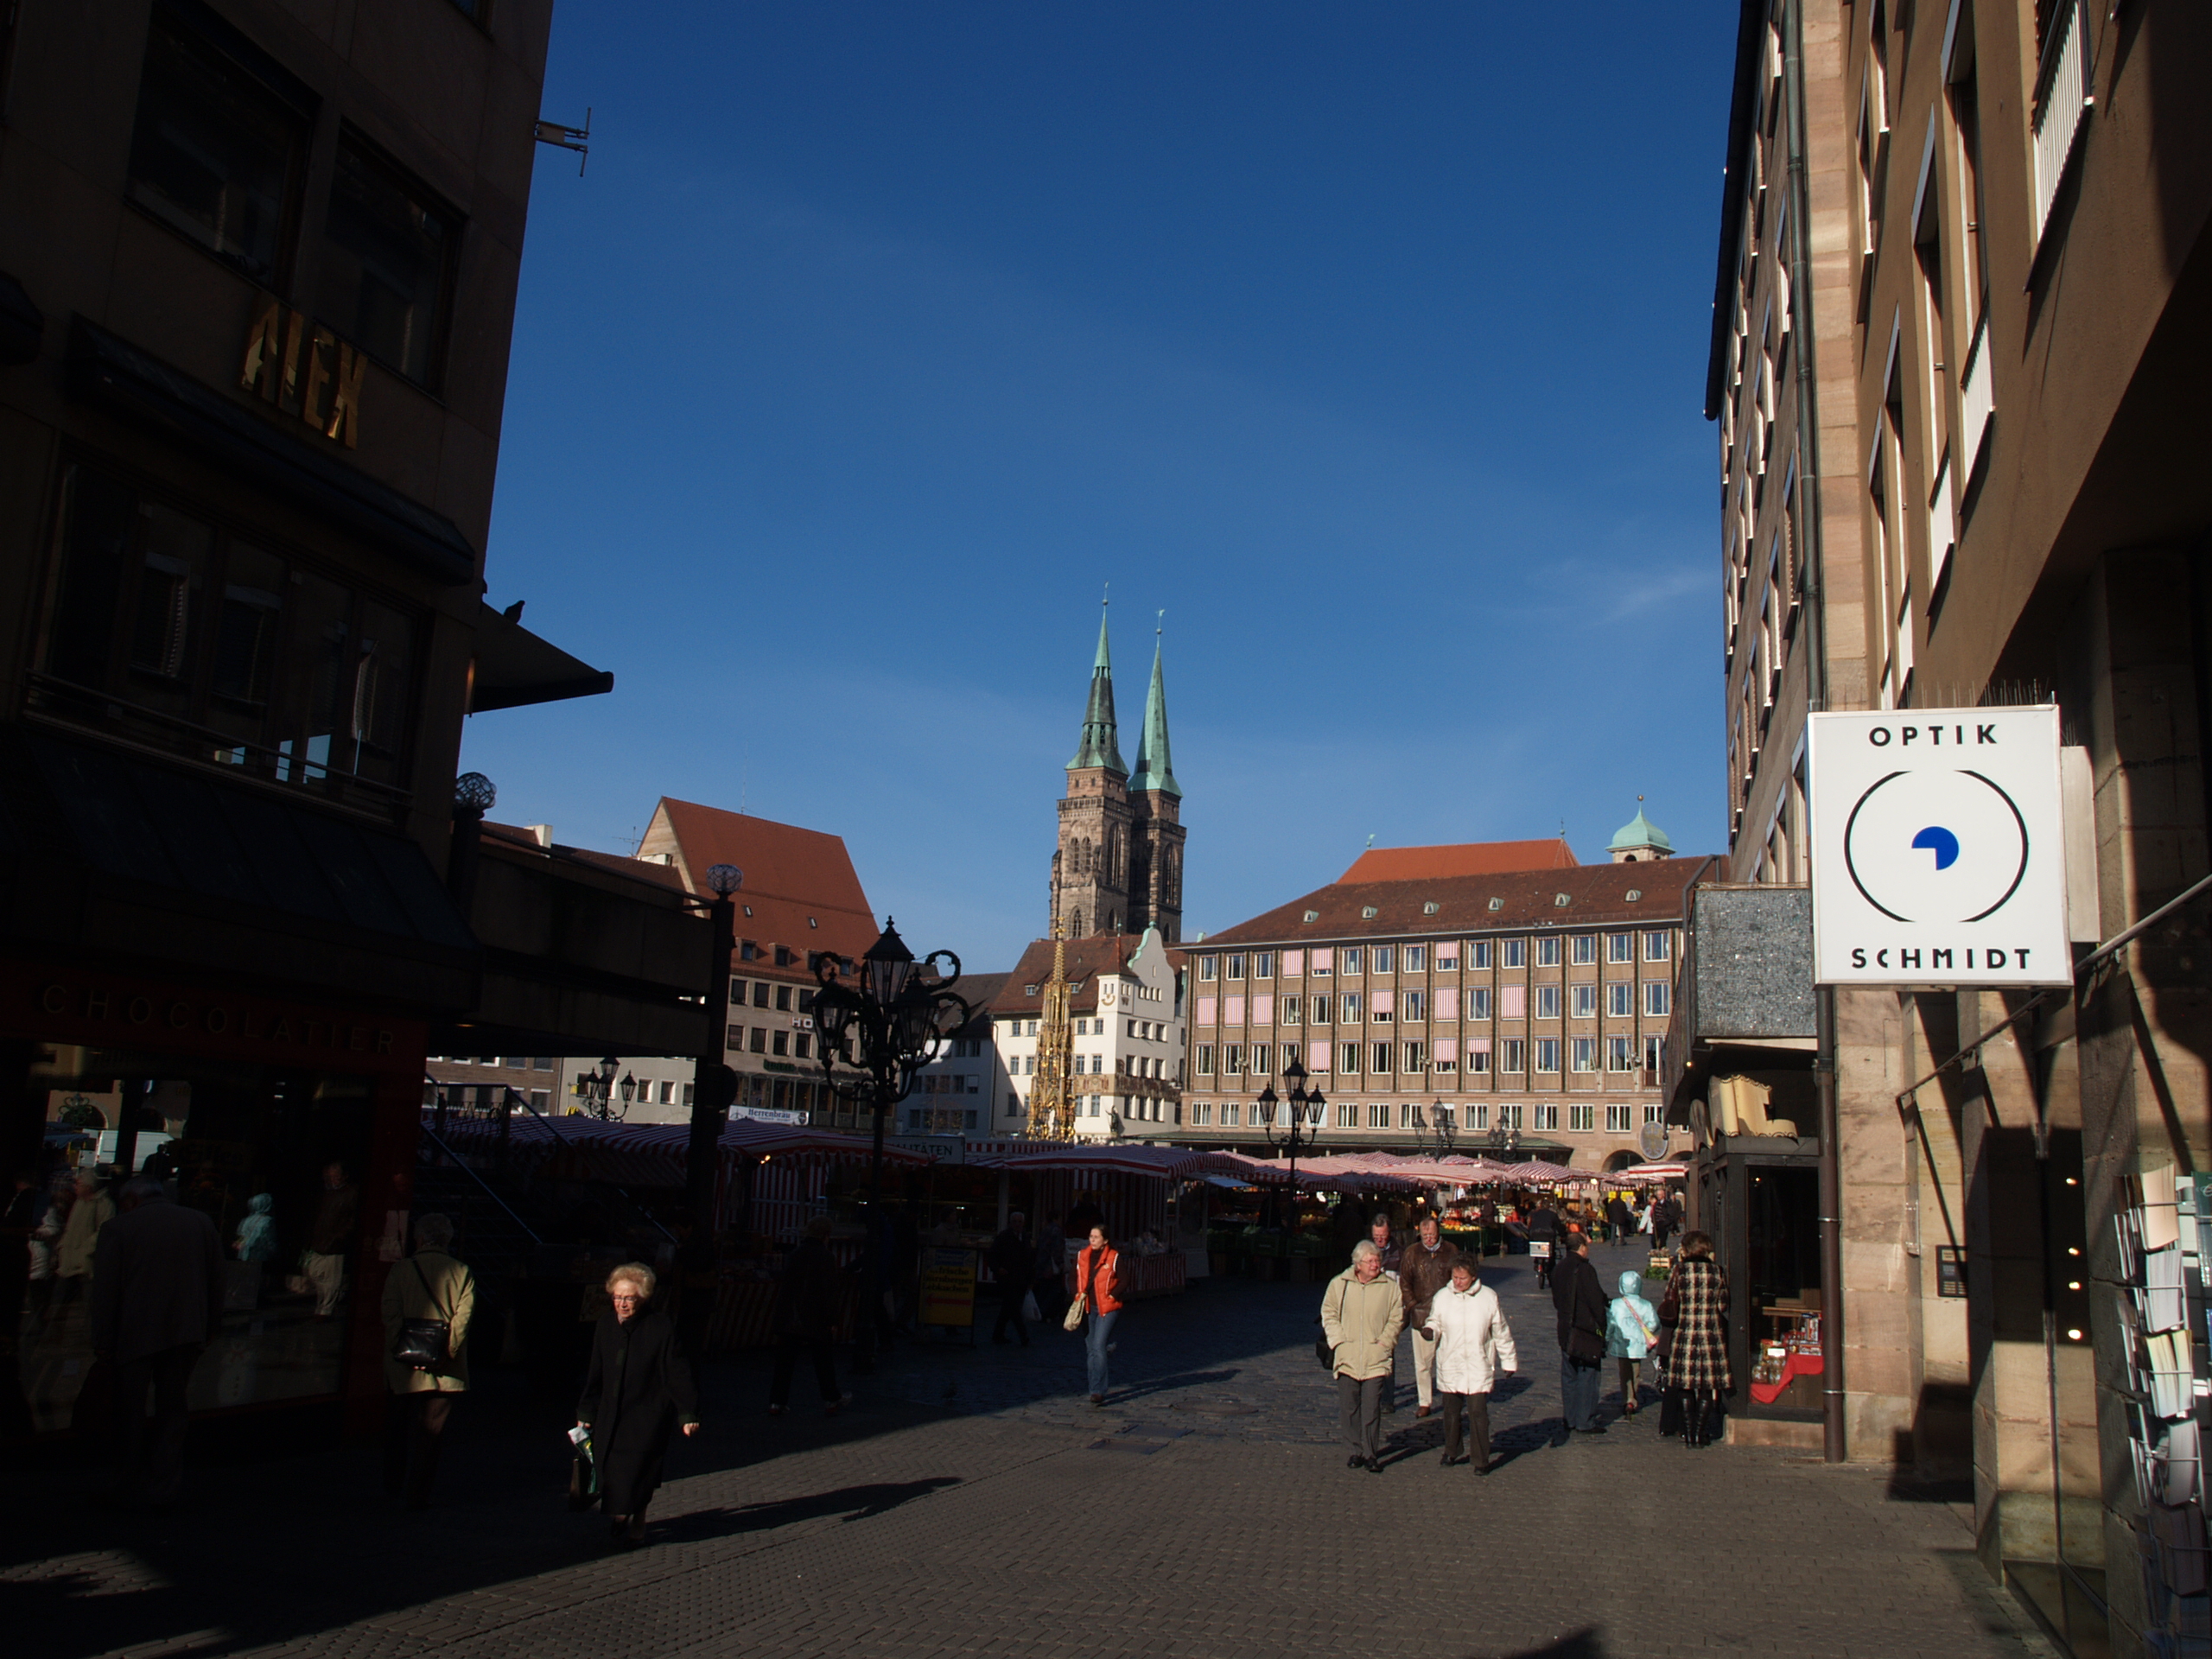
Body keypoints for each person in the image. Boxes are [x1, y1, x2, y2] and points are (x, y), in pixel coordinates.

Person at [90, 1176, 225, 1510]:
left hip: (134, 1333)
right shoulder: (200, 1222)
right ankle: (163, 1486)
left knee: (129, 1411)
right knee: (173, 1409)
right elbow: (217, 1279)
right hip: (185, 1331)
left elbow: (105, 1291)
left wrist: (103, 1339)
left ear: (130, 1201)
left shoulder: (118, 1228)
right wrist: (210, 1326)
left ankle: (125, 1481)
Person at [578, 1262, 700, 1546]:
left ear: (642, 1298)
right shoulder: (605, 1325)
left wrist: (688, 1412)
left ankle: (635, 1517)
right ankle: (623, 1511)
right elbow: (596, 1371)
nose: (622, 1304)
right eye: (617, 1297)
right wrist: (586, 1410)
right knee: (609, 1468)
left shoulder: (660, 1327)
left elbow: (677, 1372)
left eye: (629, 1298)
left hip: (646, 1413)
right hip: (611, 1413)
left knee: (638, 1470)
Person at [380, 1212, 474, 1510]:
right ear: (447, 1240)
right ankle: (418, 1494)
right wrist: (447, 1351)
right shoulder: (462, 1272)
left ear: (419, 1238)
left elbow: (390, 1313)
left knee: (397, 1428)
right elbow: (463, 1320)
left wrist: (400, 1348)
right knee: (431, 1435)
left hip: (403, 1365)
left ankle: (392, 1484)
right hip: (445, 1369)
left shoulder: (401, 1269)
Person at [1426, 1258, 1517, 1471]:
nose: (1458, 1282)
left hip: (1478, 1363)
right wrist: (1430, 1330)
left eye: (1463, 1278)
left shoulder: (1488, 1297)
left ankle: (1480, 1459)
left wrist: (1509, 1361)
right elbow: (1435, 1320)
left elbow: (1500, 1331)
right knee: (1451, 1413)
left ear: (1473, 1277)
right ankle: (1452, 1450)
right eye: (1455, 1277)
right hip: (1451, 1362)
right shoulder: (1442, 1297)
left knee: (1478, 1414)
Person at [1320, 1239, 1403, 1472]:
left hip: (1375, 1358)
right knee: (1349, 1407)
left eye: (1377, 1260)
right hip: (1347, 1357)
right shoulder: (1339, 1284)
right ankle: (1354, 1450)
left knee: (1371, 1408)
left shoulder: (1389, 1287)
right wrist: (1338, 1341)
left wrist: (1384, 1343)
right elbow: (1329, 1312)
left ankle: (1370, 1453)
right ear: (1358, 1264)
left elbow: (1396, 1318)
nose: (1375, 1264)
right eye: (1370, 1261)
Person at [770, 1217, 848, 1416]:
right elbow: (829, 1291)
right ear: (826, 1235)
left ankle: (777, 1402)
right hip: (816, 1316)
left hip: (791, 1315)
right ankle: (831, 1399)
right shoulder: (826, 1257)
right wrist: (832, 1319)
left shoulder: (795, 1254)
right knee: (823, 1361)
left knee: (785, 1362)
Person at [1666, 1232, 1732, 1448]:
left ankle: (1688, 1433)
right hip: (1710, 1333)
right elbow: (1723, 1305)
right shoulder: (1716, 1271)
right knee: (1706, 1386)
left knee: (1685, 1385)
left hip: (1685, 1331)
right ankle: (1699, 1434)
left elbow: (1670, 1298)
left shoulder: (1680, 1271)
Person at [1397, 1213, 1462, 1419]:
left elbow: (1458, 1278)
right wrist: (1413, 1306)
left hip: (1447, 1315)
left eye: (1432, 1235)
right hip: (1421, 1315)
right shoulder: (1412, 1253)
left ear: (1438, 1232)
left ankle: (1451, 1396)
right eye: (1425, 1235)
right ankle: (1424, 1401)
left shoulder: (1450, 1250)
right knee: (1423, 1363)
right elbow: (1404, 1282)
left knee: (1449, 1359)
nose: (1429, 1239)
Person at [1551, 1232, 1610, 1438]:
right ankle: (1585, 1420)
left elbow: (1556, 1300)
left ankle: (1570, 1418)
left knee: (1569, 1376)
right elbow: (1596, 1302)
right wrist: (1602, 1327)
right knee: (1588, 1376)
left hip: (1565, 1329)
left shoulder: (1559, 1268)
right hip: (1585, 1331)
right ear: (1582, 1247)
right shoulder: (1584, 1269)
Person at [1072, 1224, 1123, 1407]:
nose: (1092, 1240)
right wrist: (1076, 1295)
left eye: (1096, 1237)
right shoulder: (1082, 1256)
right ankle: (1094, 1388)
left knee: (1098, 1346)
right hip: (1088, 1307)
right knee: (1091, 1349)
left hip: (1107, 1308)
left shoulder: (1114, 1257)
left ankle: (1099, 1391)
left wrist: (1112, 1295)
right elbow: (1073, 1277)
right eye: (1091, 1236)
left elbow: (1124, 1280)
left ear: (1105, 1240)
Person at [53, 1168, 112, 1312]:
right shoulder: (79, 1203)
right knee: (59, 1303)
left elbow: (103, 1232)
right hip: (68, 1261)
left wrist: (86, 1250)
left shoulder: (104, 1204)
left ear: (88, 1187)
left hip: (86, 1264)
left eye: (78, 1184)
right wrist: (62, 1247)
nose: (75, 1187)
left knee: (89, 1304)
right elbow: (70, 1229)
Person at [304, 1162, 357, 1319]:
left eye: (336, 1177)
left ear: (344, 1177)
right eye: (330, 1176)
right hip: (320, 1241)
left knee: (331, 1279)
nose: (333, 1180)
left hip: (335, 1244)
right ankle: (327, 1304)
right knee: (313, 1273)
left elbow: (351, 1220)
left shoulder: (351, 1193)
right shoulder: (326, 1193)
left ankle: (326, 1309)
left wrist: (339, 1236)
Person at [1364, 1210, 1404, 1411]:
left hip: (1389, 1312)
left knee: (1387, 1353)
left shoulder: (1398, 1253)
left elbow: (1402, 1284)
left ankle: (1387, 1399)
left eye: (1382, 1236)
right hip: (1367, 1311)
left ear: (1389, 1233)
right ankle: (1369, 1394)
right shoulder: (1364, 1252)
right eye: (1376, 1236)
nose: (1379, 1240)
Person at [1605, 1268, 1658, 1418]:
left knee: (1624, 1373)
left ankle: (1627, 1398)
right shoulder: (1646, 1305)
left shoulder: (1616, 1304)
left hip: (1622, 1344)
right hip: (1638, 1345)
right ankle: (1632, 1399)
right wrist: (1644, 1332)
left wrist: (1606, 1339)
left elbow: (1610, 1325)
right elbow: (1654, 1323)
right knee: (1635, 1372)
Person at [988, 1211, 1033, 1347]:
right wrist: (998, 1269)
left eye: (1020, 1222)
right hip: (1007, 1277)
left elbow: (1028, 1258)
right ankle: (1023, 1336)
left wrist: (1030, 1277)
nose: (1017, 1224)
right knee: (1013, 1308)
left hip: (1020, 1277)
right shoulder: (1004, 1237)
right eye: (1015, 1222)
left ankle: (998, 1334)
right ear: (1010, 1223)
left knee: (1008, 1308)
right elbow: (993, 1255)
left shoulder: (1025, 1237)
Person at [1033, 1217, 1068, 1326]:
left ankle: (1040, 1313)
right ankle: (1047, 1313)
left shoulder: (1044, 1230)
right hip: (1051, 1266)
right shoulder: (1056, 1231)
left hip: (1042, 1264)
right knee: (1054, 1290)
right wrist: (1060, 1263)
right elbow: (1057, 1249)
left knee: (1044, 1290)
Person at [1526, 1200, 1562, 1290]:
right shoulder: (1552, 1214)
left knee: (1537, 1248)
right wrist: (1563, 1235)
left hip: (1534, 1234)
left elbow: (1530, 1225)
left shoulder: (1534, 1214)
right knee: (1551, 1254)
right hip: (1548, 1235)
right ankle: (1550, 1271)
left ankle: (1537, 1262)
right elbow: (1559, 1226)